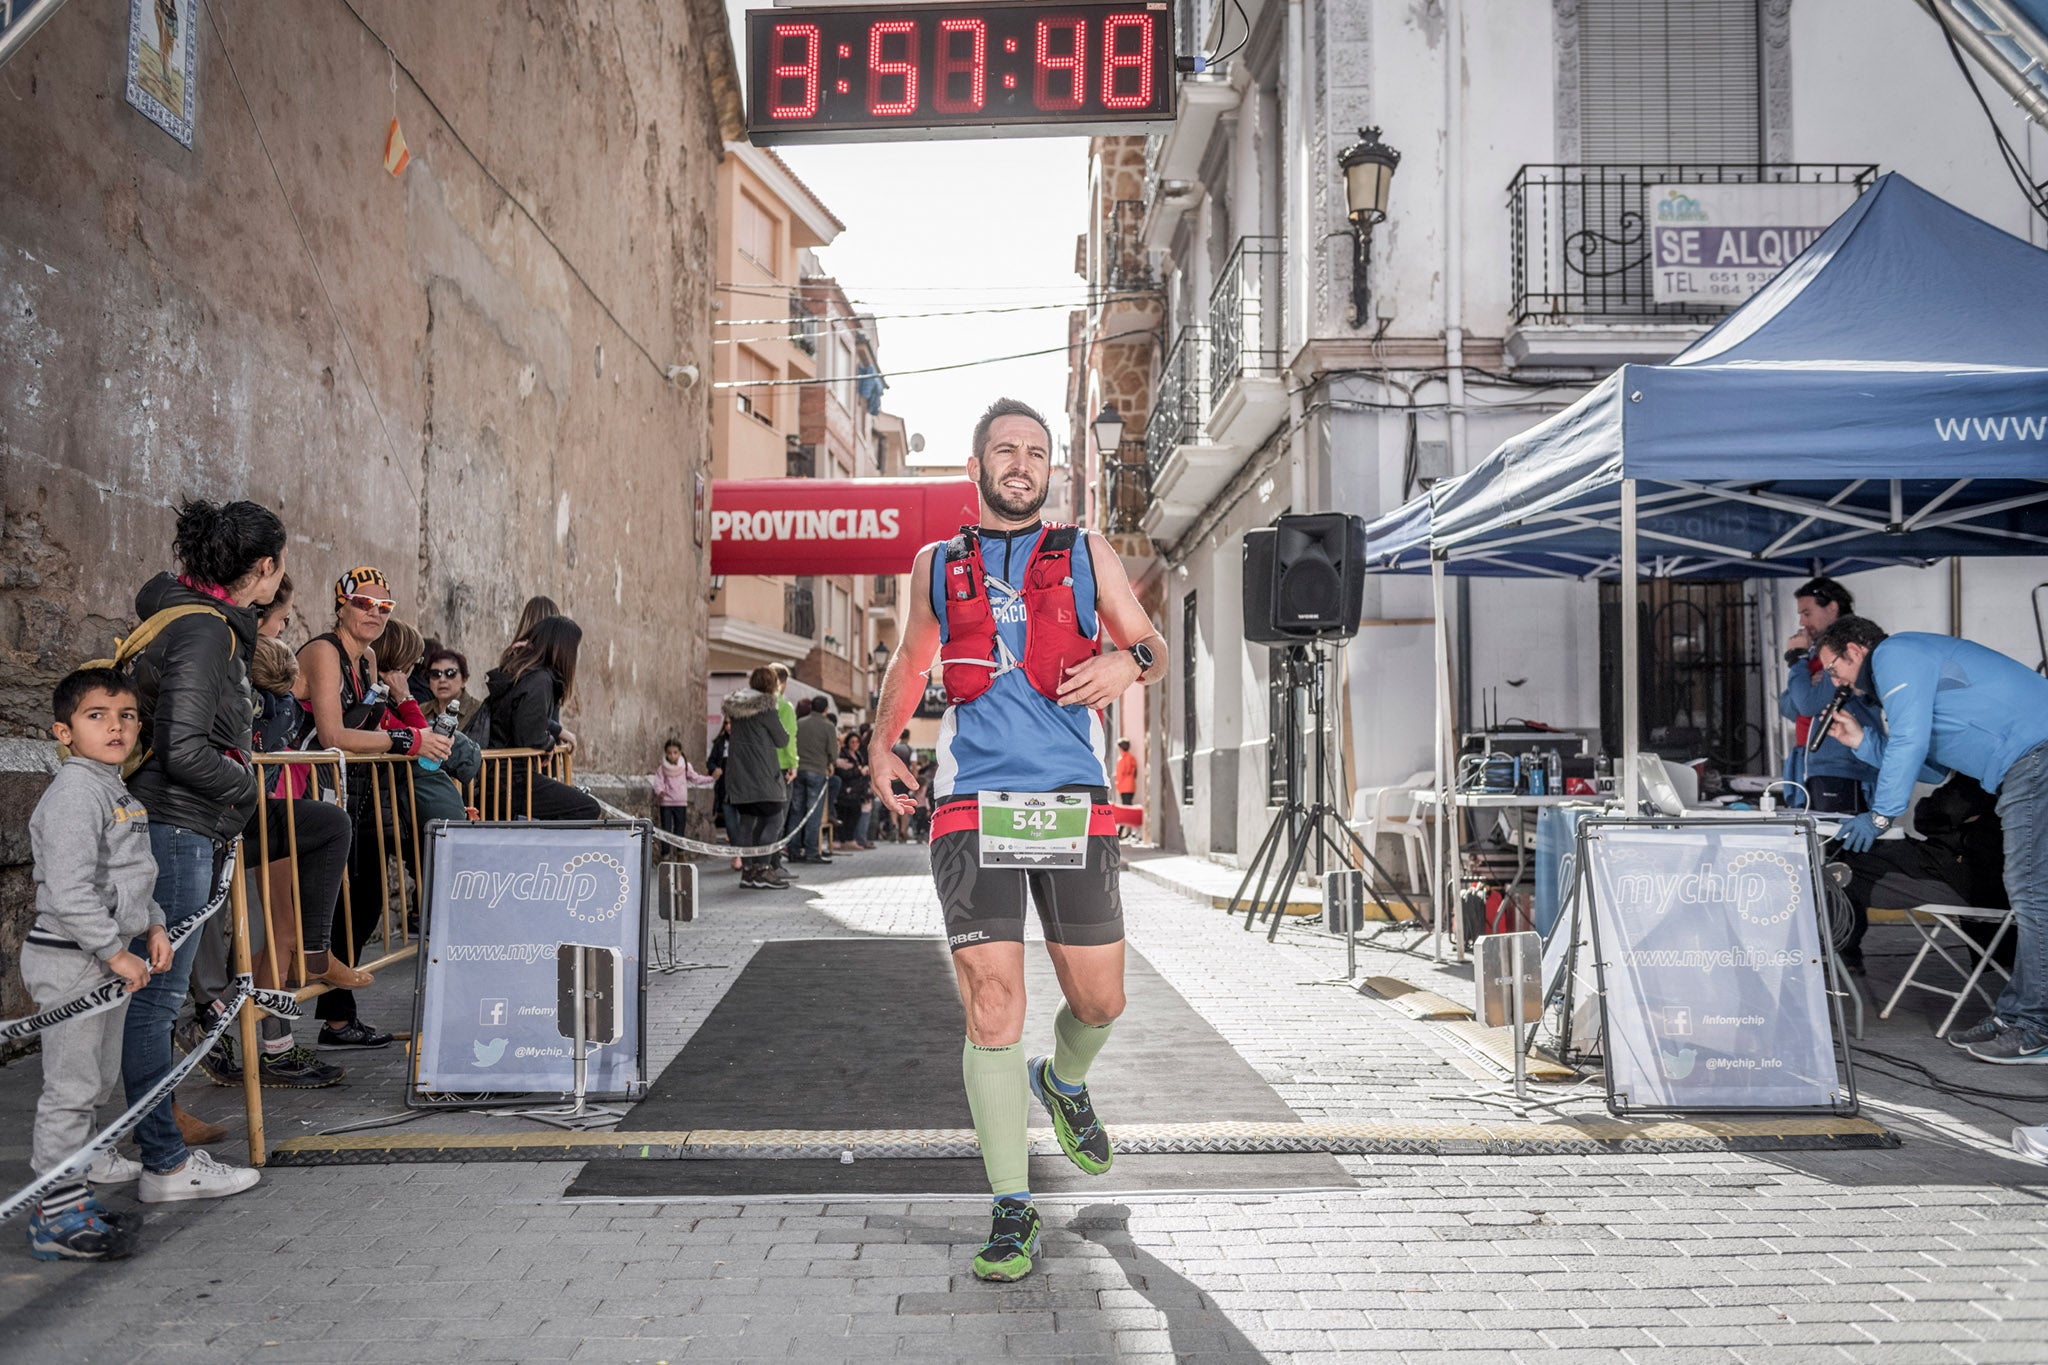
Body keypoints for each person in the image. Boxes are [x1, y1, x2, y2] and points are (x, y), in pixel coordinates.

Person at [869, 397, 1168, 1282]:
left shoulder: (1087, 553)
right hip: (971, 801)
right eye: (1005, 449)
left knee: (1101, 1001)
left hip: (1072, 798)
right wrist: (885, 741)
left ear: (1051, 469)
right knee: (993, 1003)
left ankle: (1064, 1081)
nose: (1021, 463)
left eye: (1036, 452)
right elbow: (912, 660)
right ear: (977, 467)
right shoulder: (935, 564)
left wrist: (1128, 661)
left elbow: (1147, 644)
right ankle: (1011, 1204)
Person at [124, 499, 280, 1201]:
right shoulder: (206, 631)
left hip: (173, 824)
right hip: (179, 828)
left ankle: (147, 1141)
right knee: (156, 1004)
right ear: (266, 568)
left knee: (147, 1000)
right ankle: (166, 1162)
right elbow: (185, 747)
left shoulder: (185, 616)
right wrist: (243, 789)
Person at [1817, 616, 2048, 1063]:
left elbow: (1908, 740)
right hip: (2026, 761)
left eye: (1833, 668)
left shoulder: (1895, 654)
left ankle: (2034, 1025)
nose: (1835, 682)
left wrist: (1881, 816)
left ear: (1855, 650)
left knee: (2032, 894)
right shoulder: (1900, 674)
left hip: (2034, 756)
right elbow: (1932, 767)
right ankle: (2019, 1016)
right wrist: (1863, 740)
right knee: (2032, 893)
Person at [22, 669, 168, 1260]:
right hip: (75, 962)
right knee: (71, 1090)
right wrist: (114, 952)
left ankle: (71, 1197)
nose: (116, 726)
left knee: (94, 1086)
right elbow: (68, 892)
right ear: (64, 730)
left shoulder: (114, 789)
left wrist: (154, 924)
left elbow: (133, 877)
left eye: (127, 715)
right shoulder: (75, 795)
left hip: (110, 960)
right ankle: (51, 1217)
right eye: (97, 715)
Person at [298, 565, 450, 1051]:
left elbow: (373, 729)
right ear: (341, 602)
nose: (374, 613)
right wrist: (408, 740)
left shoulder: (365, 663)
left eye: (384, 607)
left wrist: (410, 732)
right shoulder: (324, 652)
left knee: (362, 904)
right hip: (300, 793)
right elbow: (334, 736)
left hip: (350, 796)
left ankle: (338, 1019)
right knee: (291, 923)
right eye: (364, 603)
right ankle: (273, 1043)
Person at [1834, 773, 2006, 977]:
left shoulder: (1979, 778)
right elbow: (1930, 816)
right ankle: (1838, 953)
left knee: (1844, 865)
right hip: (1976, 877)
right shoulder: (2014, 775)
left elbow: (1929, 814)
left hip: (1967, 880)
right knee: (1854, 858)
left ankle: (1833, 953)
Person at [483, 615, 601, 820]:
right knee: (586, 808)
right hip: (511, 780)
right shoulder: (540, 680)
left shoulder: (522, 674)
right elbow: (529, 733)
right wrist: (547, 744)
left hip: (499, 777)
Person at [1778, 577, 1878, 814]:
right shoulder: (1816, 651)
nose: (1801, 622)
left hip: (1842, 764)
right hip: (1812, 764)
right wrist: (1803, 677)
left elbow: (1808, 704)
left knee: (1835, 844)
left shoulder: (1846, 647)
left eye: (1807, 613)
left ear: (1832, 608)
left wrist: (1796, 660)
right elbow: (1787, 706)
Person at [722, 667, 791, 889]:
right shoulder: (767, 709)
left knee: (747, 823)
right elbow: (782, 739)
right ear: (772, 684)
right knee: (775, 820)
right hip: (762, 775)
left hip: (739, 775)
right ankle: (763, 869)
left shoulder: (736, 708)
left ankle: (748, 872)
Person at [791, 702, 837, 863]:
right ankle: (811, 851)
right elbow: (832, 751)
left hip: (798, 770)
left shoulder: (799, 723)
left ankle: (793, 850)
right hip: (817, 771)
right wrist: (831, 763)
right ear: (825, 709)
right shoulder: (828, 725)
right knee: (813, 813)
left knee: (796, 811)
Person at [421, 646, 492, 748]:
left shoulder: (480, 711)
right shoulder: (421, 710)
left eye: (450, 673)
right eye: (435, 674)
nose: (442, 680)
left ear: (464, 679)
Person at [652, 737, 712, 841]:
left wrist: (711, 779)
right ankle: (665, 854)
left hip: (680, 802)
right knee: (665, 830)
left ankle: (680, 853)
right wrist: (660, 791)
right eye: (669, 753)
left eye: (675, 752)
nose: (672, 755)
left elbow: (695, 778)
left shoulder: (685, 766)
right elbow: (658, 782)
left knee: (680, 830)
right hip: (667, 802)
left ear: (680, 752)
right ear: (665, 753)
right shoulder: (662, 768)